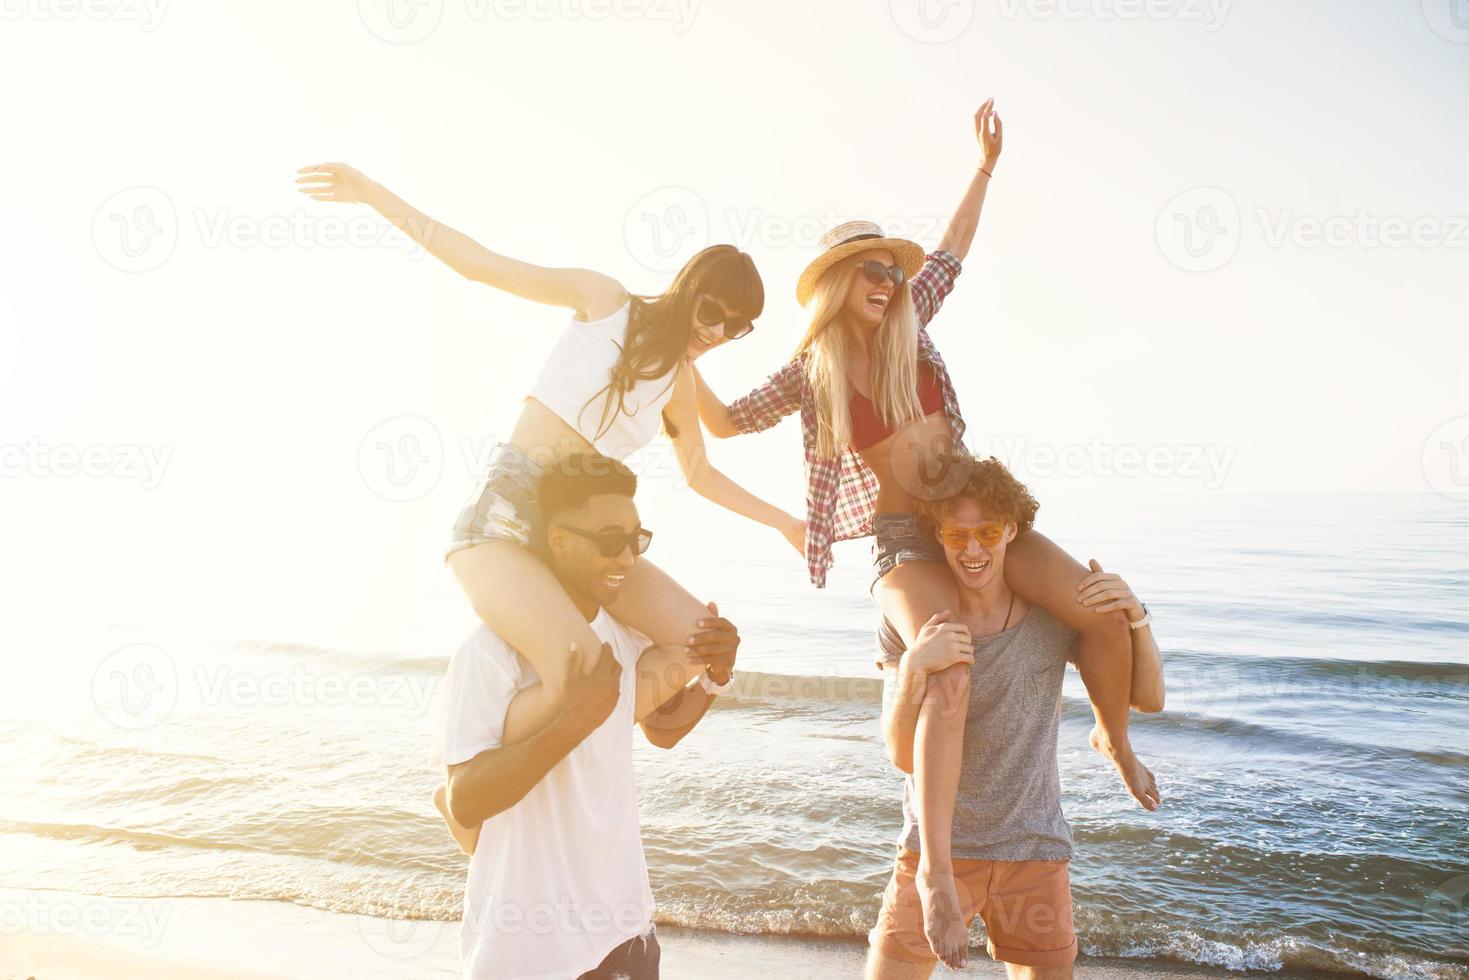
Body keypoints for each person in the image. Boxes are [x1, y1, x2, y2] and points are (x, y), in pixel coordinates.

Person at [689, 101, 1158, 963]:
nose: (886, 278)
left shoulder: (915, 324)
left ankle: (1112, 740)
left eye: (888, 268)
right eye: (867, 268)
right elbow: (721, 422)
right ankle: (937, 877)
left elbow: (950, 252)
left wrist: (984, 167)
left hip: (973, 508)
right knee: (946, 663)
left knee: (1098, 610)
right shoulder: (812, 371)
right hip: (905, 544)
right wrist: (677, 344)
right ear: (837, 282)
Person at [297, 161, 799, 759]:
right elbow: (480, 265)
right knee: (581, 681)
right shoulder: (606, 301)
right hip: (511, 513)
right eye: (713, 312)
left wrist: (788, 522)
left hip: (595, 535)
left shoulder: (681, 387)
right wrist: (370, 194)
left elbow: (700, 473)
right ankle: (472, 770)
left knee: (698, 641)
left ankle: (614, 729)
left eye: (738, 328)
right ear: (689, 287)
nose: (718, 333)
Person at [430, 454, 740, 980]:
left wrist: (715, 676)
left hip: (627, 934)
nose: (626, 558)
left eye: (635, 541)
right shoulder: (489, 653)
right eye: (608, 541)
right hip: (530, 951)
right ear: (557, 540)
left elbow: (662, 731)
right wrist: (572, 720)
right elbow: (465, 796)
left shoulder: (629, 638)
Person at [866, 456, 1165, 978]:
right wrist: (914, 669)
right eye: (957, 536)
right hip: (933, 852)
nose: (973, 549)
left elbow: (1148, 698)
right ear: (938, 536)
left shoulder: (1052, 618)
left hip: (1033, 847)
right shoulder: (918, 624)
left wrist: (1136, 617)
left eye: (987, 532)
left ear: (1012, 531)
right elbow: (898, 753)